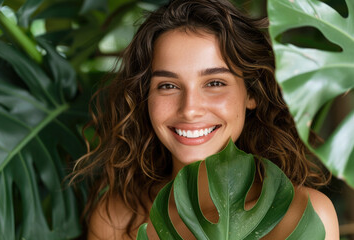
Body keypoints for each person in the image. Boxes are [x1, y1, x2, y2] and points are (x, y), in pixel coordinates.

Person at [71, 0, 340, 239]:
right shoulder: (117, 221)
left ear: (252, 93)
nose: (189, 109)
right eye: (167, 85)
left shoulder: (302, 216)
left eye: (214, 82)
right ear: (146, 97)